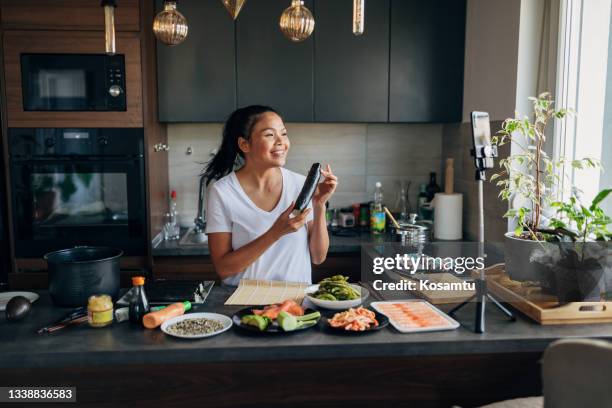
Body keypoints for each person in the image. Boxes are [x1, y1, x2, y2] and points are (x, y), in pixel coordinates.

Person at [203, 105, 338, 285]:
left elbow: (318, 257)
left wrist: (319, 205)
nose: (281, 141)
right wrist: (275, 233)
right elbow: (223, 268)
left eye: (283, 133)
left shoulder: (301, 186)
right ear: (244, 144)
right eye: (269, 135)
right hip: (244, 303)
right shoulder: (223, 192)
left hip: (295, 304)